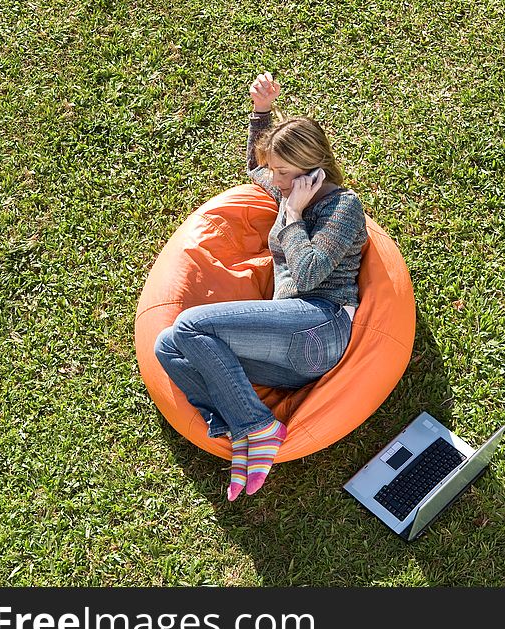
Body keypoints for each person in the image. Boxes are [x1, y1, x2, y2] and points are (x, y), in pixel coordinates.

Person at [155, 72, 367, 501]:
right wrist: (262, 112)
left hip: (321, 327)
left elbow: (309, 274)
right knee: (167, 345)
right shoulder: (289, 187)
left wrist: (292, 217)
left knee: (191, 326)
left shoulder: (343, 207)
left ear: (314, 170)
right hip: (285, 355)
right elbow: (255, 168)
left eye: (285, 174)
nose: (278, 181)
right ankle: (237, 429)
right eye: (279, 174)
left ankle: (258, 427)